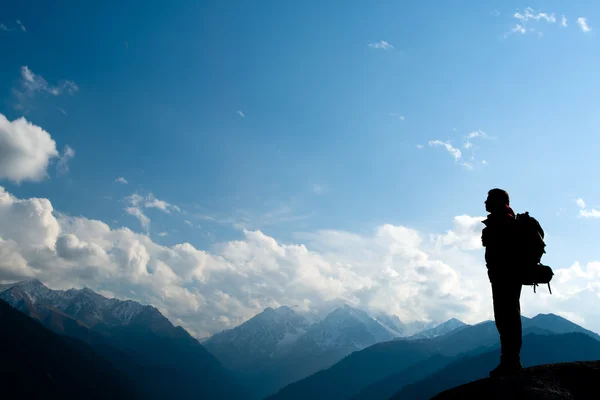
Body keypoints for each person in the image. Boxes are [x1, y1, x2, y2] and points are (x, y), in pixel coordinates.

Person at [481, 188, 523, 377]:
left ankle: (511, 361)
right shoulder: (505, 220)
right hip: (504, 276)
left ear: (498, 201)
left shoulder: (502, 222)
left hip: (504, 276)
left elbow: (502, 252)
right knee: (508, 317)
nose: (485, 202)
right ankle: (510, 360)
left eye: (489, 199)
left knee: (507, 318)